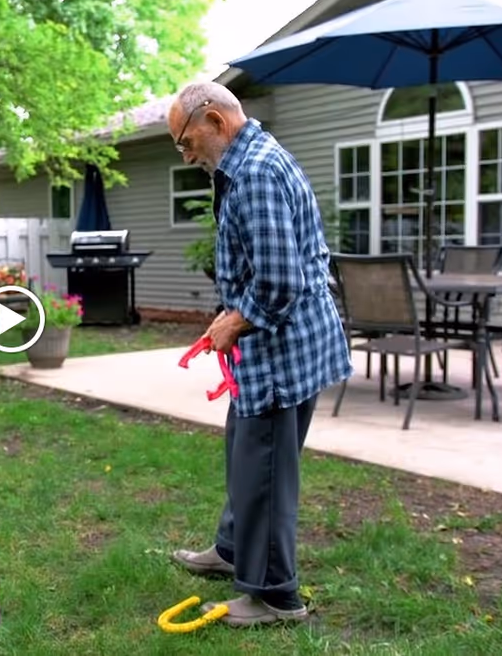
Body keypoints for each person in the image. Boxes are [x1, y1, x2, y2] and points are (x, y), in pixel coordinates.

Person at [165, 81, 353, 627]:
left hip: (282, 349)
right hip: (273, 346)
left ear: (216, 123)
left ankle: (275, 595)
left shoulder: (257, 175)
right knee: (248, 453)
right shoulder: (248, 164)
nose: (187, 153)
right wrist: (228, 318)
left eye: (186, 141)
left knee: (265, 466)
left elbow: (277, 283)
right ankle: (231, 549)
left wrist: (234, 322)